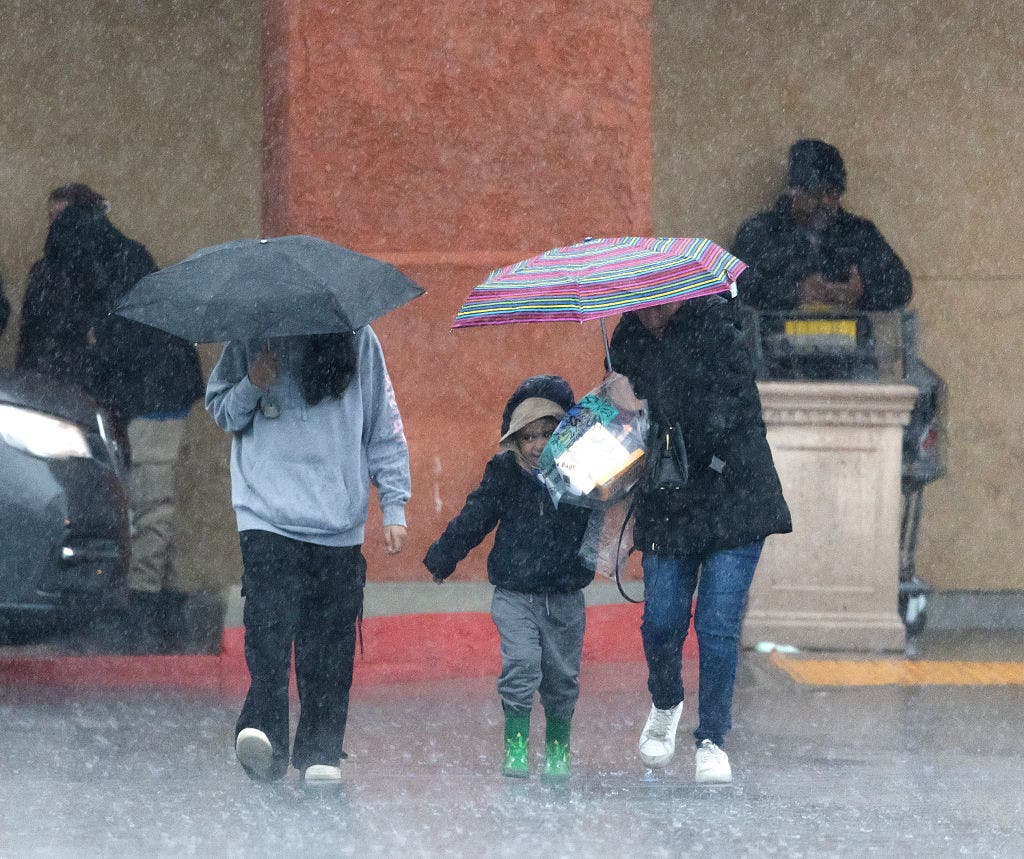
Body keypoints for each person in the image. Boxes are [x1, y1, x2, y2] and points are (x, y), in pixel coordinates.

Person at [206, 328, 411, 786]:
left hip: (337, 521)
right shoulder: (251, 332)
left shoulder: (360, 339)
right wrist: (253, 382)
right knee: (269, 628)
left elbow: (383, 424)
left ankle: (320, 749)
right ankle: (264, 734)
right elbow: (222, 411)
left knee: (330, 645)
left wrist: (394, 504)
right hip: (266, 513)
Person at [608, 295, 792, 783]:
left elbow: (717, 417)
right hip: (668, 502)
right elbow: (624, 433)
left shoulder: (721, 332)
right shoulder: (626, 339)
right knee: (661, 620)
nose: (647, 312)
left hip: (734, 496)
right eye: (637, 303)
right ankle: (666, 701)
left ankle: (712, 738)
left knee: (716, 624)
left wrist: (643, 405)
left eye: (656, 302)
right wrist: (614, 404)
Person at [17, 183, 205, 652]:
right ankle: (145, 596)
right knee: (147, 499)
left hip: (140, 396)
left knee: (140, 496)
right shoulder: (125, 257)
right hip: (147, 392)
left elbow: (84, 343)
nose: (53, 228)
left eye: (59, 217)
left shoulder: (67, 268)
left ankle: (138, 599)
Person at [423, 375, 593, 781]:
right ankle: (516, 745)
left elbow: (613, 501)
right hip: (515, 594)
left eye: (548, 433)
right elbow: (475, 517)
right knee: (520, 664)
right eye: (528, 436)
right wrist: (444, 556)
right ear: (514, 441)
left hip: (565, 596)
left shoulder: (577, 473)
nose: (537, 445)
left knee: (561, 677)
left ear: (563, 435)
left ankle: (557, 747)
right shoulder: (503, 473)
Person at [732, 139, 912, 312]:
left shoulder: (859, 233)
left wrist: (861, 293)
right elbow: (735, 288)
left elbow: (901, 288)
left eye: (832, 193)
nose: (825, 201)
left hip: (851, 342)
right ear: (794, 193)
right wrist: (793, 293)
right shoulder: (760, 233)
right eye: (816, 193)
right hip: (775, 340)